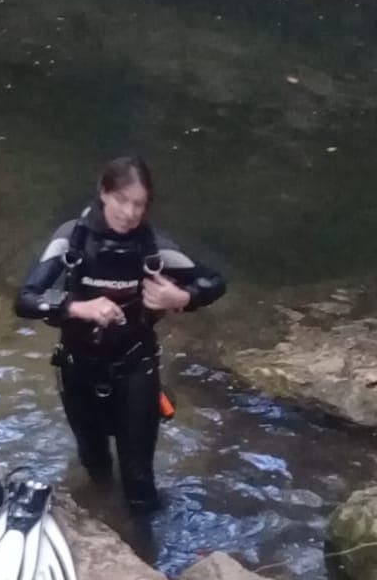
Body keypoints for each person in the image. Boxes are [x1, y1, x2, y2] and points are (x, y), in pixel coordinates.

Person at [14, 157, 226, 513]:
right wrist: (77, 308)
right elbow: (25, 300)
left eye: (139, 205)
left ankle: (145, 553)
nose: (130, 213)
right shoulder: (72, 240)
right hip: (77, 367)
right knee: (94, 463)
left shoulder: (154, 248)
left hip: (135, 368)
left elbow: (215, 282)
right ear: (104, 193)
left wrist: (182, 298)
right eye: (122, 200)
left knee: (139, 480)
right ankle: (103, 521)